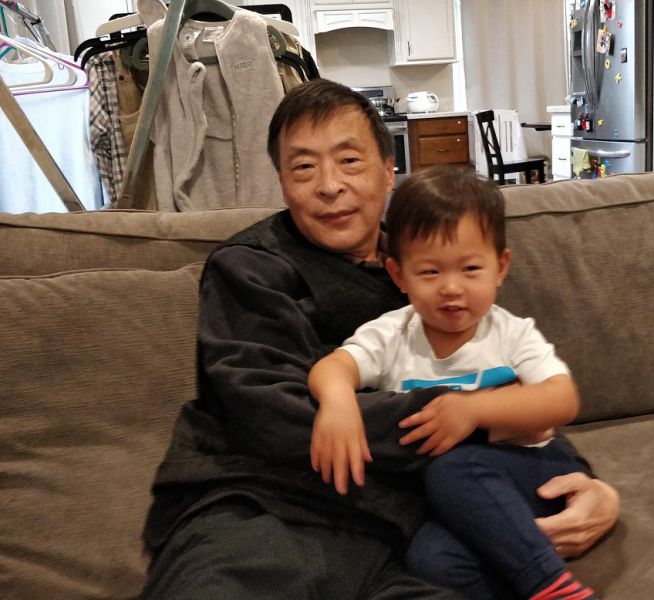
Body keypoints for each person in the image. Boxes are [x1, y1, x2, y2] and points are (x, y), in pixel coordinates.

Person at [140, 78, 619, 599]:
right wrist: (471, 413)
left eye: (349, 161)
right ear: (282, 183)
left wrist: (586, 484)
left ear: (389, 171)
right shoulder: (250, 268)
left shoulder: (432, 263)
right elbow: (273, 415)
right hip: (260, 510)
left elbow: (506, 371)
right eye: (304, 168)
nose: (329, 185)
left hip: (399, 530)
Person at [308, 166, 598, 600]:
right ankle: (527, 572)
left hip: (534, 471)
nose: (451, 288)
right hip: (461, 500)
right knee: (429, 560)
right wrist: (337, 403)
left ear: (500, 268)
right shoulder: (393, 333)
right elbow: (334, 367)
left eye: (470, 268)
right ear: (398, 275)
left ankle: (551, 587)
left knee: (452, 467)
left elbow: (562, 399)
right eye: (430, 272)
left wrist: (474, 409)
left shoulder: (511, 332)